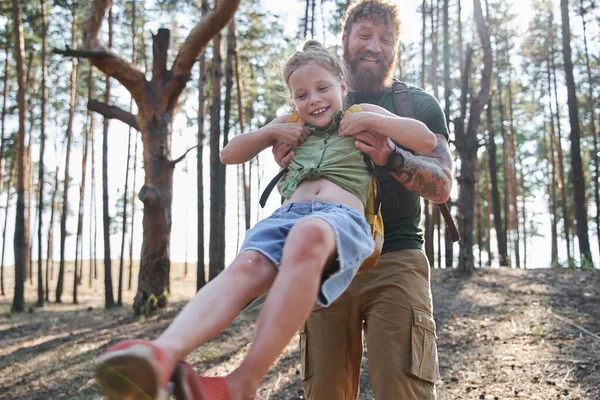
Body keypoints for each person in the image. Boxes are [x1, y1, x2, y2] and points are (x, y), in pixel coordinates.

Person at [94, 40, 436, 400]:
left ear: (342, 86)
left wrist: (369, 119)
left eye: (323, 89)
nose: (314, 100)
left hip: (343, 219)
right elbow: (229, 154)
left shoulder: (360, 111)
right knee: (248, 266)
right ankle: (162, 354)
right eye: (301, 95)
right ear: (292, 99)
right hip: (285, 216)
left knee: (309, 236)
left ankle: (245, 380)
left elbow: (425, 140)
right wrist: (271, 133)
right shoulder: (289, 124)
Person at [272, 2, 454, 399]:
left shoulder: (416, 107)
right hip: (325, 263)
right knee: (324, 391)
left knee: (404, 391)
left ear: (396, 48)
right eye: (365, 35)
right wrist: (287, 160)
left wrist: (392, 155)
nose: (375, 46)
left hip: (397, 260)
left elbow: (442, 186)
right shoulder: (316, 101)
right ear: (346, 41)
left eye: (386, 39)